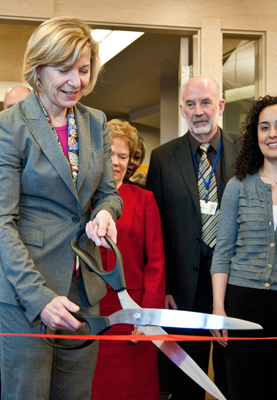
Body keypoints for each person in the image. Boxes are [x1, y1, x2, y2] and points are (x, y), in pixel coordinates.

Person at [0, 16, 122, 400]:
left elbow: (108, 193)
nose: (75, 81)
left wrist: (106, 213)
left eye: (83, 69)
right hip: (24, 294)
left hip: (83, 290)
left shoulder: (95, 122)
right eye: (63, 70)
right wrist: (39, 298)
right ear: (38, 69)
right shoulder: (8, 126)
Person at [210, 95, 277, 400]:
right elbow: (223, 252)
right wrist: (219, 309)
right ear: (254, 135)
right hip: (243, 301)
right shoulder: (239, 185)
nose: (272, 134)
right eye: (264, 127)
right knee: (245, 389)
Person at [146, 75, 239, 399]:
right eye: (190, 104)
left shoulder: (247, 150)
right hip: (183, 290)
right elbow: (155, 231)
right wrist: (166, 287)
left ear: (220, 106)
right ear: (183, 109)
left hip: (236, 283)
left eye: (206, 102)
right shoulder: (162, 158)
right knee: (187, 379)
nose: (198, 111)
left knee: (234, 375)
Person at [91, 119, 165, 400]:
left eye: (123, 156)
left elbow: (156, 262)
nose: (116, 162)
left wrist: (148, 314)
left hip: (134, 313)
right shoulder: (81, 199)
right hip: (90, 310)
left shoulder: (144, 199)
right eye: (109, 154)